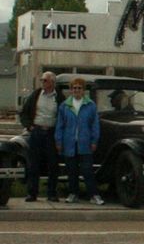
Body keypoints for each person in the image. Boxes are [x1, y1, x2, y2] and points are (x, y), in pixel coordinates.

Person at [55, 77, 105, 205]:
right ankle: (73, 193)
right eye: (74, 88)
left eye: (79, 88)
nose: (77, 90)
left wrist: (94, 140)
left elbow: (95, 125)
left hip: (85, 143)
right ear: (71, 90)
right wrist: (59, 141)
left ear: (84, 90)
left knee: (87, 170)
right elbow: (60, 125)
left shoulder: (90, 105)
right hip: (69, 143)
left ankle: (94, 195)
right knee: (72, 171)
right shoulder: (65, 106)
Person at [19, 71, 65, 202]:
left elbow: (64, 116)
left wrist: (59, 131)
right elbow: (24, 113)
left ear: (52, 82)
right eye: (42, 80)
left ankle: (51, 193)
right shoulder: (36, 95)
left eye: (45, 80)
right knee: (34, 163)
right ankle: (32, 193)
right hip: (37, 132)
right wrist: (30, 126)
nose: (43, 83)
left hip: (51, 133)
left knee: (53, 164)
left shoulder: (59, 97)